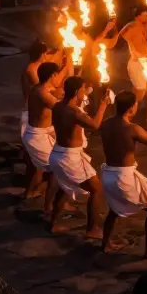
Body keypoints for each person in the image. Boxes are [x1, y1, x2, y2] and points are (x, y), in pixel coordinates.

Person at [100, 90, 147, 257]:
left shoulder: (106, 124)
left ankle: (105, 243)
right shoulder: (131, 129)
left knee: (114, 209)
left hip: (108, 174)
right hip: (123, 177)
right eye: (136, 104)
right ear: (131, 108)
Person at [47, 76, 109, 238]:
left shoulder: (57, 106)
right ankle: (93, 229)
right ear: (76, 91)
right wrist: (104, 104)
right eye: (82, 88)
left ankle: (53, 223)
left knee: (64, 187)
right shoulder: (73, 111)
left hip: (57, 154)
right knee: (96, 189)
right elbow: (94, 125)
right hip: (69, 158)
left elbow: (75, 116)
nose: (84, 91)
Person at [24, 61, 64, 213]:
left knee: (39, 169)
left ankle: (31, 193)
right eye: (57, 75)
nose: (59, 79)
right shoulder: (42, 93)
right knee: (57, 169)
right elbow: (61, 109)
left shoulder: (41, 88)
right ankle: (49, 207)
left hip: (40, 133)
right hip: (37, 136)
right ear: (53, 75)